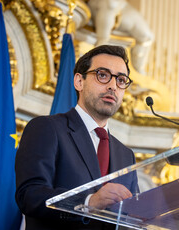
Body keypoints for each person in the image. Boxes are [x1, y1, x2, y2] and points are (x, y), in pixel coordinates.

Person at [15, 45, 139, 230]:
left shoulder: (126, 155)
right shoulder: (47, 128)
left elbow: (132, 217)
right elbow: (30, 195)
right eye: (103, 75)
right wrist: (88, 202)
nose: (113, 86)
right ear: (79, 81)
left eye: (121, 80)